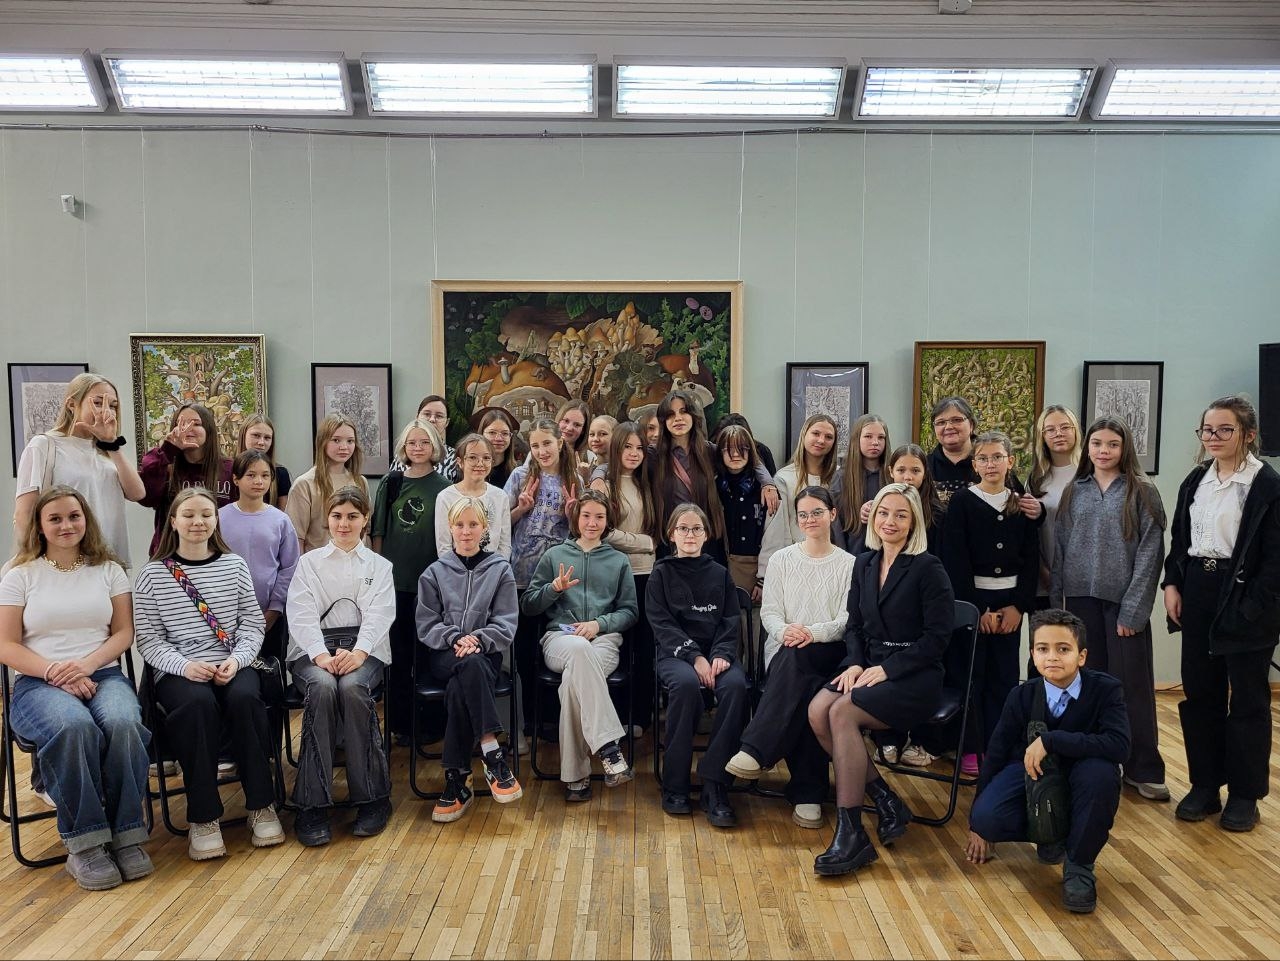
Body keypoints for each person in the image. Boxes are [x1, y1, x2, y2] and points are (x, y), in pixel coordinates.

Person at [0, 486, 151, 890]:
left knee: (124, 723)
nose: (66, 525)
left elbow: (123, 633)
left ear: (86, 520)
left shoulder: (109, 570)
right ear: (40, 526)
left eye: (74, 516)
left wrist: (86, 665)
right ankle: (85, 845)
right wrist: (55, 672)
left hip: (101, 674)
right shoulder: (19, 575)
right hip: (37, 683)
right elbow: (6, 645)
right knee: (74, 727)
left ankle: (127, 835)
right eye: (55, 518)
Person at [806, 484, 954, 875]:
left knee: (841, 713)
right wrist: (855, 663)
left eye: (901, 515)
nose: (890, 521)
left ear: (914, 522)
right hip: (869, 667)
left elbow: (938, 639)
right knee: (818, 709)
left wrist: (889, 669)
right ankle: (886, 798)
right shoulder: (865, 563)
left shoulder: (928, 568)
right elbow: (854, 626)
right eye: (884, 512)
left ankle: (851, 833)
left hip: (914, 677)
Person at [133, 487, 284, 861]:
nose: (198, 522)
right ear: (173, 521)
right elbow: (149, 641)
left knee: (246, 698)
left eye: (206, 514)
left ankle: (261, 805)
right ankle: (203, 818)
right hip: (180, 670)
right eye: (189, 515)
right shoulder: (152, 575)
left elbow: (252, 624)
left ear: (216, 521)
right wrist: (186, 666)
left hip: (232, 662)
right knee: (197, 705)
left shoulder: (234, 566)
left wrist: (238, 660)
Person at [1163, 395, 1280, 833]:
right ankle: (1205, 785)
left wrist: (1252, 608)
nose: (1213, 437)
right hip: (1198, 590)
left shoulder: (1267, 486)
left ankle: (1245, 795)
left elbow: (1275, 561)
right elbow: (1180, 540)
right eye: (1207, 430)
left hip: (1247, 598)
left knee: (1248, 701)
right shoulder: (1196, 480)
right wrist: (1172, 584)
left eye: (1224, 429)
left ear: (1248, 434)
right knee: (1200, 694)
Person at [966, 608, 1129, 915]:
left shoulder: (1106, 689)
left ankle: (1079, 865)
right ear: (1032, 654)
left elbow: (1119, 746)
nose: (1052, 657)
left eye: (1063, 649)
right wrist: (976, 823)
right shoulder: (1021, 695)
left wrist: (1052, 740)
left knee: (1102, 775)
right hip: (1033, 774)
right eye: (1043, 649)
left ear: (1081, 656)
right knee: (987, 817)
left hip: (1084, 772)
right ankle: (1050, 835)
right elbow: (996, 753)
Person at [1051, 416, 1167, 802]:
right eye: (1097, 444)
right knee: (1086, 686)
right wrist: (1058, 605)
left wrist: (1134, 610)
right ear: (1087, 448)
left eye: (1112, 445)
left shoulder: (1143, 492)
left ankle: (1142, 768)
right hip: (1079, 602)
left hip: (1122, 605)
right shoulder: (1075, 490)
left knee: (1130, 687)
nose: (1104, 451)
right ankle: (1093, 763)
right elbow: (1061, 548)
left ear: (1124, 448)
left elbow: (1151, 553)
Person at [726, 486, 855, 829]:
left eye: (817, 512)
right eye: (803, 514)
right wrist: (786, 632)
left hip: (830, 652)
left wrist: (811, 633)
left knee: (803, 667)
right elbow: (769, 614)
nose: (810, 519)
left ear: (832, 515)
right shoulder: (782, 560)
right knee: (805, 686)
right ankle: (807, 792)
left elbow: (846, 621)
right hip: (785, 651)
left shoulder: (849, 564)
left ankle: (756, 749)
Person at [285, 485, 395, 846]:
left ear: (365, 519)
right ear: (327, 519)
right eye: (336, 516)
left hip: (365, 651)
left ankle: (373, 798)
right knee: (321, 686)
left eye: (352, 516)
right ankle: (312, 804)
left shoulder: (380, 566)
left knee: (352, 686)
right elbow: (300, 614)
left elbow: (379, 615)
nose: (343, 524)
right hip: (313, 651)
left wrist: (359, 653)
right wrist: (320, 655)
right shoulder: (308, 563)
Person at [521, 490, 638, 801]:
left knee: (574, 683)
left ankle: (576, 778)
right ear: (576, 518)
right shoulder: (554, 556)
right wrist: (553, 589)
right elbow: (529, 605)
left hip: (603, 641)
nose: (592, 523)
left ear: (607, 521)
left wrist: (599, 625)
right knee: (578, 651)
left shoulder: (618, 561)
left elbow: (630, 612)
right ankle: (609, 748)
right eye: (586, 515)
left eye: (599, 517)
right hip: (560, 640)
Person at [942, 430, 1043, 776]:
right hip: (976, 604)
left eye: (997, 457)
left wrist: (1019, 606)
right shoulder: (963, 502)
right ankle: (971, 746)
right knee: (972, 676)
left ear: (1010, 461)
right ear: (975, 464)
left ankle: (1000, 747)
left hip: (1010, 604)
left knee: (1005, 677)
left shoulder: (1020, 504)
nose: (990, 464)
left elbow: (1031, 559)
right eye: (983, 458)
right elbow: (955, 559)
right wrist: (977, 609)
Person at [416, 496, 522, 822]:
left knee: (462, 681)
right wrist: (454, 638)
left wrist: (478, 639)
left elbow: (506, 622)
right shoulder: (434, 573)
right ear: (450, 528)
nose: (466, 531)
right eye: (460, 525)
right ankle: (491, 751)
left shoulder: (500, 570)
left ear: (484, 528)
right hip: (444, 653)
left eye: (473, 524)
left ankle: (457, 780)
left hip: (485, 652)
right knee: (468, 665)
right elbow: (426, 624)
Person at [648, 503, 749, 827]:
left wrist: (720, 654)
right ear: (671, 534)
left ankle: (715, 783)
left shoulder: (720, 573)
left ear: (706, 535)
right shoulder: (661, 573)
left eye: (696, 529)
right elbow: (662, 624)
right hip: (676, 655)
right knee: (686, 685)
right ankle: (675, 784)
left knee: (736, 686)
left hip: (717, 654)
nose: (689, 535)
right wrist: (695, 657)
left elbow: (730, 621)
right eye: (683, 528)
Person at [371, 419, 450, 743]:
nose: (418, 448)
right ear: (404, 447)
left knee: (429, 656)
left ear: (435, 447)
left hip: (431, 587)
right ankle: (401, 725)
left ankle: (432, 726)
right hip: (395, 586)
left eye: (424, 442)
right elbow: (378, 532)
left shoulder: (445, 487)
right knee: (399, 658)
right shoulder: (391, 483)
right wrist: (379, 578)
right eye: (412, 442)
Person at [13, 373, 144, 567]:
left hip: (109, 560)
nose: (106, 411)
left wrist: (111, 443)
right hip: (61, 561)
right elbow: (25, 513)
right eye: (98, 403)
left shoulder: (107, 450)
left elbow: (137, 493)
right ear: (72, 404)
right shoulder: (44, 445)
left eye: (113, 405)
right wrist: (34, 562)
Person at [504, 417, 579, 735]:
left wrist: (573, 515)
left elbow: (582, 532)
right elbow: (499, 525)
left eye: (547, 443)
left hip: (557, 580)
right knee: (525, 653)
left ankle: (554, 720)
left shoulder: (574, 479)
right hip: (522, 577)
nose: (542, 450)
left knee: (555, 649)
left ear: (560, 442)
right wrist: (521, 509)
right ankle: (530, 722)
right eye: (535, 445)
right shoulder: (520, 476)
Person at [651, 389, 778, 565]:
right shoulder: (654, 455)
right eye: (671, 414)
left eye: (683, 411)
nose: (678, 418)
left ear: (693, 416)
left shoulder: (709, 450)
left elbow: (750, 461)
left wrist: (768, 483)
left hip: (706, 537)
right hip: (670, 538)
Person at [881, 443, 949, 767]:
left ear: (925, 474)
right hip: (894, 607)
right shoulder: (882, 509)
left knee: (923, 667)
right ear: (890, 472)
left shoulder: (938, 513)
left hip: (928, 602)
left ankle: (925, 740)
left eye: (915, 470)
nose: (908, 477)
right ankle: (888, 737)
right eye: (901, 470)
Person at [589, 422, 657, 733]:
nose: (633, 453)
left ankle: (639, 716)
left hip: (646, 575)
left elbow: (657, 529)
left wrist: (649, 544)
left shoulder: (647, 483)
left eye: (639, 448)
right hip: (613, 574)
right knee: (613, 645)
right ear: (616, 448)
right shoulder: (604, 484)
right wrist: (645, 542)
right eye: (627, 447)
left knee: (642, 648)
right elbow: (602, 531)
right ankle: (610, 717)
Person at [219, 450, 300, 663]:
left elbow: (290, 567)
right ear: (236, 479)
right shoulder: (219, 518)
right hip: (225, 615)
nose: (258, 481)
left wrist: (275, 608)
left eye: (265, 475)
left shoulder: (280, 520)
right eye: (251, 475)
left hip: (269, 615)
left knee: (269, 669)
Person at [139, 403, 233, 554]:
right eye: (181, 423)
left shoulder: (229, 469)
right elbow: (147, 498)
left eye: (196, 423)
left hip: (218, 557)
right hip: (170, 556)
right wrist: (168, 450)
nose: (188, 428)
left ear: (208, 429)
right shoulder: (165, 465)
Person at [757, 414, 838, 581]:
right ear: (804, 435)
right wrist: (765, 574)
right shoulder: (784, 478)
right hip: (796, 564)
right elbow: (777, 529)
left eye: (828, 437)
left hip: (832, 563)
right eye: (816, 433)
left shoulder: (839, 477)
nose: (821, 440)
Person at [286, 414, 369, 555]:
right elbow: (296, 538)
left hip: (356, 563)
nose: (344, 447)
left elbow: (366, 531)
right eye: (336, 440)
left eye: (350, 441)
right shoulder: (305, 484)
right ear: (323, 442)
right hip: (318, 564)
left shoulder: (360, 482)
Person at [1027, 406, 1081, 607]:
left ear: (1076, 430)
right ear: (1042, 436)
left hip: (1082, 581)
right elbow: (1030, 533)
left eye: (1065, 427)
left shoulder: (1090, 472)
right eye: (1050, 429)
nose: (1058, 433)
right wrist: (1042, 570)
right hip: (1045, 579)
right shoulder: (1036, 478)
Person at [435, 433, 512, 560]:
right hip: (456, 568)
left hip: (492, 567)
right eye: (472, 457)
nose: (480, 463)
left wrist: (498, 568)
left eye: (486, 458)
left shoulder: (500, 496)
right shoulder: (445, 497)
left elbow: (504, 544)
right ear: (460, 462)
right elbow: (444, 546)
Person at [714, 424, 766, 600]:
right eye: (728, 449)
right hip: (719, 566)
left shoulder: (764, 488)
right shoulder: (714, 486)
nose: (735, 454)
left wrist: (763, 578)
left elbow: (774, 536)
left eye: (742, 449)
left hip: (755, 568)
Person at [833, 413, 890, 555]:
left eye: (881, 437)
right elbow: (835, 525)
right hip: (852, 555)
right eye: (868, 436)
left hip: (888, 555)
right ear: (856, 438)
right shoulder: (841, 478)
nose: (875, 442)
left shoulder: (892, 475)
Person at [927, 396, 979, 507]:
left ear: (971, 425)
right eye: (941, 422)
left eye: (956, 420)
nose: (948, 427)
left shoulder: (990, 463)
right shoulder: (924, 466)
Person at [237, 413, 291, 511]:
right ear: (243, 435)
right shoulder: (228, 469)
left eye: (267, 438)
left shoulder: (280, 473)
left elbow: (283, 515)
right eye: (256, 435)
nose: (261, 442)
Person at [408, 395, 460, 482]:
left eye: (439, 416)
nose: (432, 420)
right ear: (417, 418)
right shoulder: (405, 453)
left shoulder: (455, 458)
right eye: (427, 414)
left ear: (447, 422)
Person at [713, 412, 776, 476]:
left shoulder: (762, 450)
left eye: (741, 447)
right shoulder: (712, 450)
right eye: (728, 447)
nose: (735, 454)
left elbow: (771, 478)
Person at [477, 408, 521, 491]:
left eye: (505, 433)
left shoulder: (518, 473)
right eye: (492, 433)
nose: (499, 439)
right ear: (481, 434)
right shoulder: (470, 469)